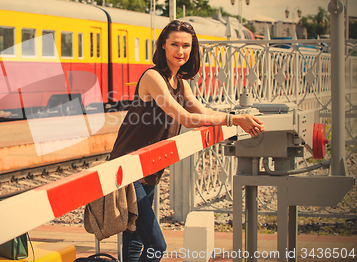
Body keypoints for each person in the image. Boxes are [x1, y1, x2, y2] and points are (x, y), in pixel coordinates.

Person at [109, 20, 265, 262]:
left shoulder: (181, 83)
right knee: (156, 246)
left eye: (186, 46)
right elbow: (185, 118)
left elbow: (201, 114)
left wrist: (236, 118)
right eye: (174, 44)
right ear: (162, 46)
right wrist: (234, 120)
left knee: (134, 244)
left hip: (148, 169)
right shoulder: (152, 77)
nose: (180, 51)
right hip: (128, 169)